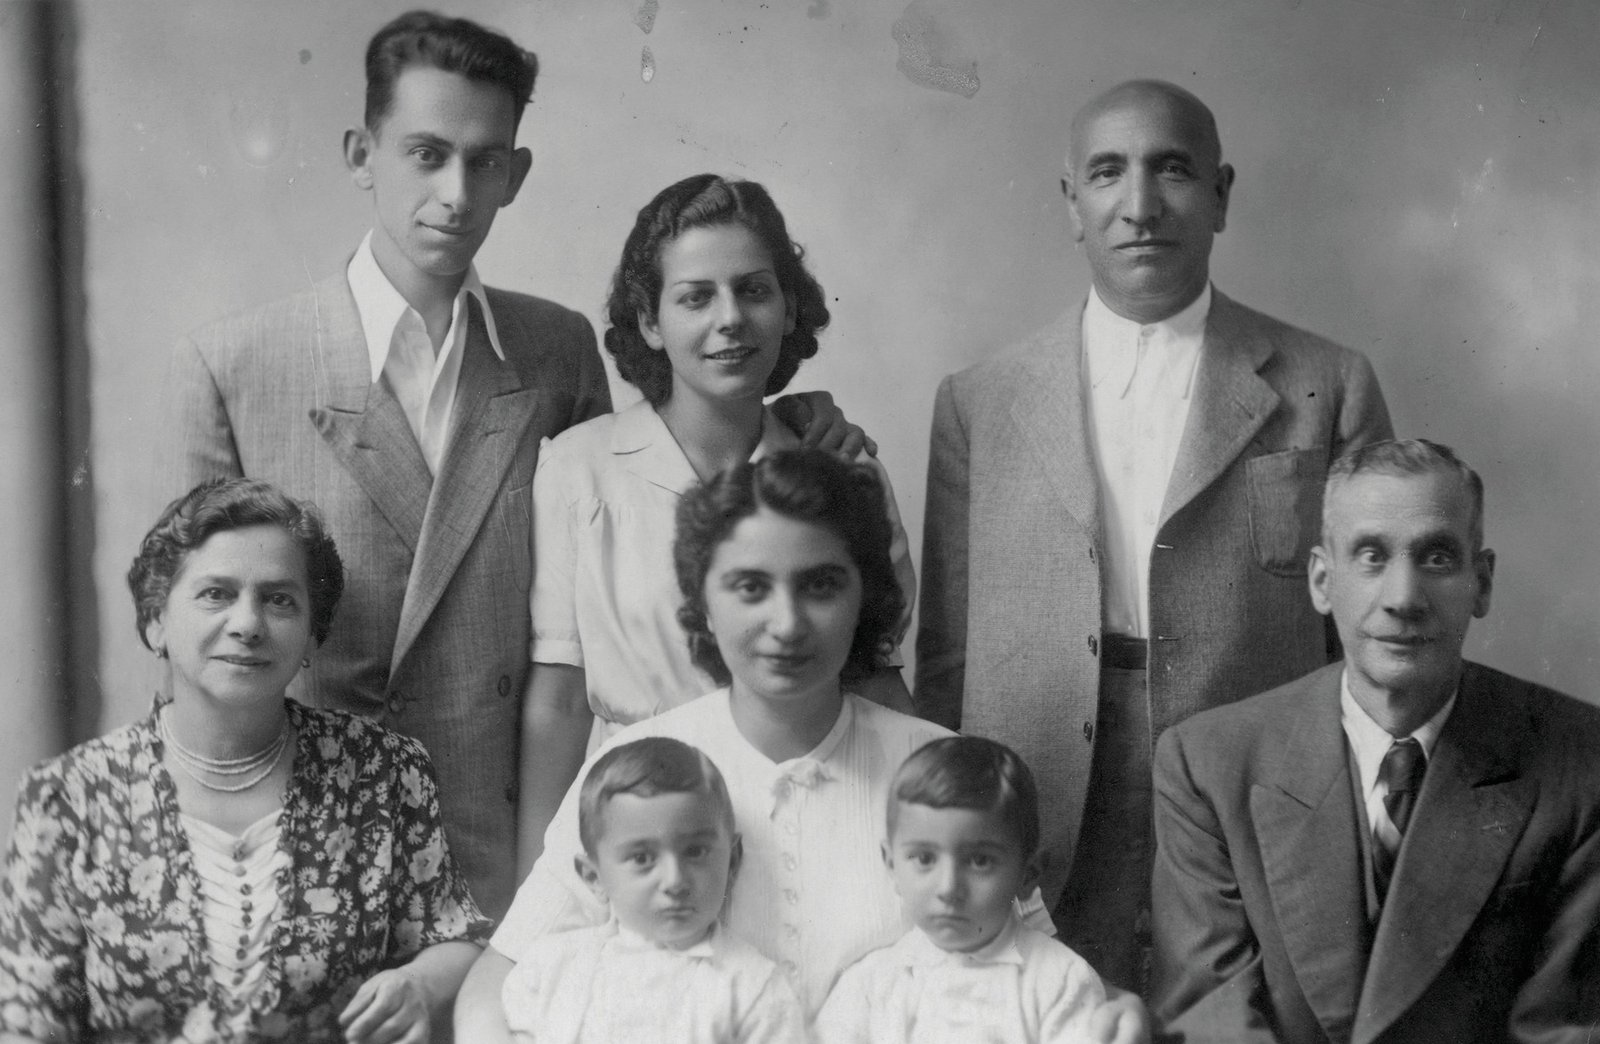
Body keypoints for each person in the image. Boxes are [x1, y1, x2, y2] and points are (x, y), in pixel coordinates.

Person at [164, 10, 861, 920]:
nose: (455, 193)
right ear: (358, 154)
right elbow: (186, 653)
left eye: (485, 159)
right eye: (424, 153)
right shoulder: (237, 365)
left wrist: (793, 429)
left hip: (496, 843)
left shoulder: (554, 350)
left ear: (516, 174)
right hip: (307, 839)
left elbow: (634, 548)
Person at [915, 78, 1393, 990]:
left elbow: (1366, 640)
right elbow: (947, 653)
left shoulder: (1325, 383)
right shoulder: (981, 400)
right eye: (1107, 173)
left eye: (1172, 170)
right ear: (1071, 204)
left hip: (1247, 773)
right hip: (1039, 770)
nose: (1139, 206)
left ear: (1221, 194)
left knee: (1238, 1010)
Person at [0, 478, 489, 1042]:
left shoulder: (382, 771)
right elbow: (28, 1025)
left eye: (280, 599)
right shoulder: (69, 797)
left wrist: (422, 984)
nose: (248, 624)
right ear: (157, 620)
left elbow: (453, 934)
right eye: (216, 594)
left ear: (311, 637)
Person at [519, 173, 917, 865]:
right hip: (643, 830)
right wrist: (534, 891)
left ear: (789, 308)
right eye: (696, 297)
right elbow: (557, 704)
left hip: (817, 820)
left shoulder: (842, 473)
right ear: (649, 321)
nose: (730, 318)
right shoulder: (582, 470)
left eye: (754, 290)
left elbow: (878, 681)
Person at [1150, 439, 1600, 1042]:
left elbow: (1563, 1029)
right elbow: (1212, 1018)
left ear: (1483, 582)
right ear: (1321, 580)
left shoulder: (1582, 762)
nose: (1403, 599)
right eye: (1370, 555)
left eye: (1437, 558)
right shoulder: (1208, 763)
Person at [500, 736, 807, 1043]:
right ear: (595, 878)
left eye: (696, 852)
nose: (675, 881)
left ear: (732, 861)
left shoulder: (753, 989)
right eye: (642, 859)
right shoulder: (551, 970)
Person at [816, 736, 1107, 1043]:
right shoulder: (869, 987)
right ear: (891, 865)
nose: (949, 888)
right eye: (925, 859)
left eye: (980, 861)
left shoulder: (1061, 981)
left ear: (1027, 875)